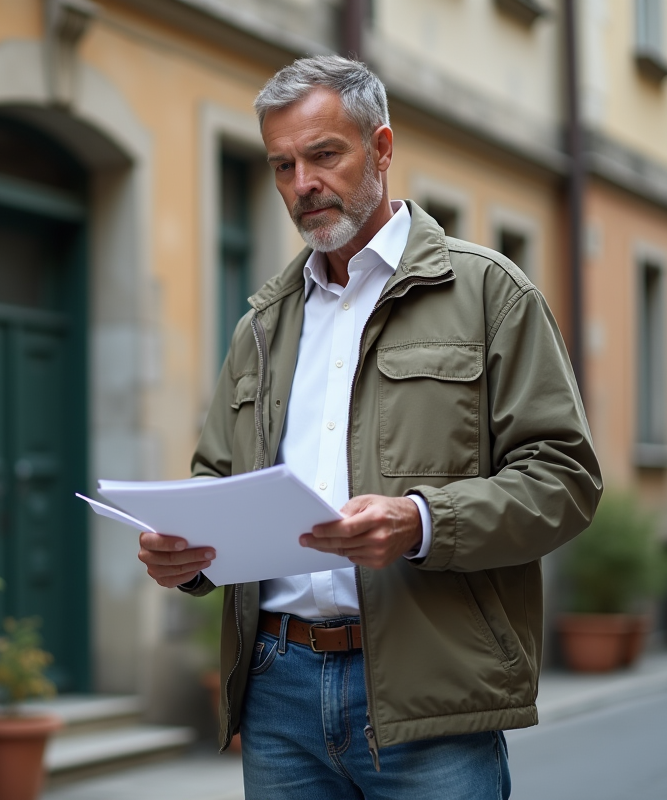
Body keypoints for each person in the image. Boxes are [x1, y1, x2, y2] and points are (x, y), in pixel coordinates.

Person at [137, 55, 602, 800]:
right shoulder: (262, 325)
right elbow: (217, 479)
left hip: (432, 695)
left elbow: (565, 479)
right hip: (278, 696)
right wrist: (187, 555)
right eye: (282, 165)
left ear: (381, 149)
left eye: (324, 155)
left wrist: (421, 521)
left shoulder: (490, 293)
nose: (302, 184)